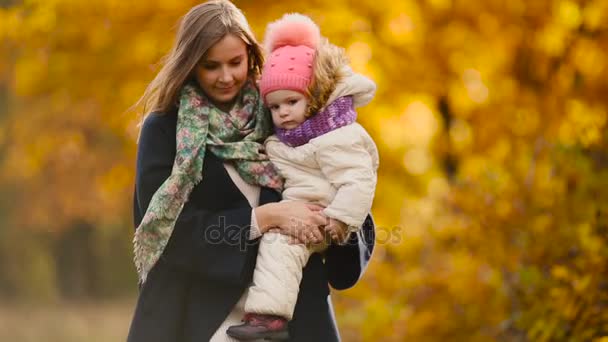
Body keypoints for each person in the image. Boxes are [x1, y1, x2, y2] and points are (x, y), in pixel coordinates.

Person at [126, 1, 376, 341]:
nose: (225, 76)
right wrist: (265, 218)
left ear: (250, 56)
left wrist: (333, 227)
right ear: (190, 65)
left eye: (235, 62)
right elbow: (169, 233)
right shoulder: (165, 130)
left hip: (296, 322)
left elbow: (343, 184)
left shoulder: (282, 110)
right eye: (211, 66)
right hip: (198, 322)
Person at [225, 13, 379, 340]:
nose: (283, 113)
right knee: (279, 245)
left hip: (326, 216)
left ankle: (269, 318)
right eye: (275, 106)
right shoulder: (287, 139)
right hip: (301, 211)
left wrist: (339, 219)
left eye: (292, 102)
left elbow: (359, 180)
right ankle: (268, 317)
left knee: (282, 245)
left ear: (314, 97)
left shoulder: (338, 135)